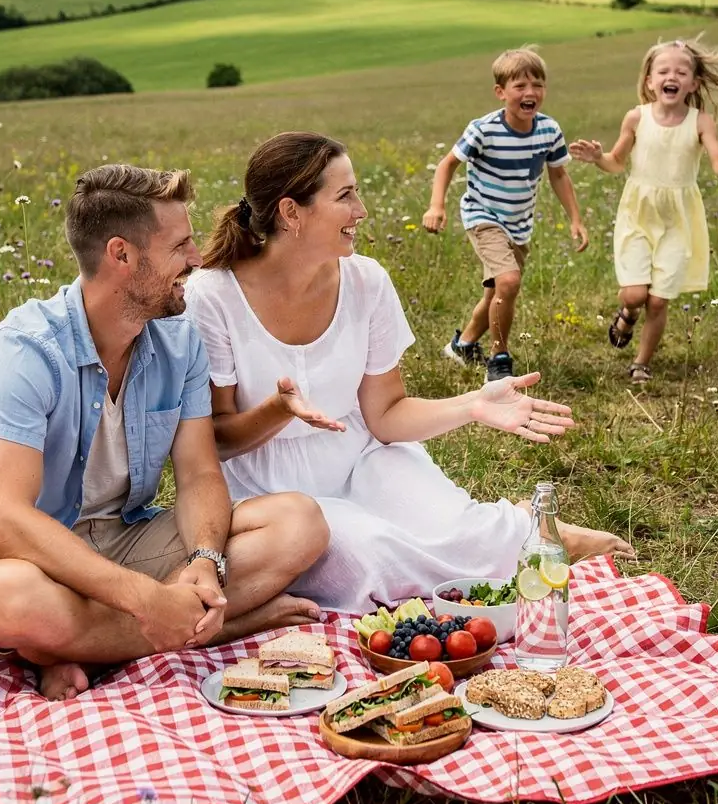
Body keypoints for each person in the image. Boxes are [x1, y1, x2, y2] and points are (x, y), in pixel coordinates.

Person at [183, 132, 634, 614]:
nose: (362, 210)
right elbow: (218, 439)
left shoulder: (366, 280)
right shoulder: (213, 295)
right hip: (273, 491)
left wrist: (473, 405)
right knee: (374, 560)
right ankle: (515, 538)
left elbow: (386, 414)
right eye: (345, 196)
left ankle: (520, 530)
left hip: (363, 456)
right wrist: (278, 410)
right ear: (292, 213)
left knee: (452, 529)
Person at [0, 164, 329, 701]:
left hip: (122, 536)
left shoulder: (180, 343)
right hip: (15, 560)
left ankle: (74, 646)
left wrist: (205, 559)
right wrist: (143, 599)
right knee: (9, 598)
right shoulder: (23, 353)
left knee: (299, 523)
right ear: (121, 255)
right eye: (180, 246)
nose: (197, 260)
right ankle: (211, 627)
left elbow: (199, 473)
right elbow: (4, 522)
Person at [570, 38, 718, 383]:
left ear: (694, 83)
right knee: (636, 294)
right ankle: (627, 311)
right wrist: (598, 159)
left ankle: (641, 363)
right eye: (664, 71)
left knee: (658, 301)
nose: (673, 76)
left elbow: (717, 165)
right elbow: (616, 162)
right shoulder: (636, 117)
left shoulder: (702, 121)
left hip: (679, 220)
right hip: (638, 214)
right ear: (650, 81)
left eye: (682, 72)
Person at [422, 47, 588, 381]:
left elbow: (558, 174)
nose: (531, 93)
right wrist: (436, 205)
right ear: (501, 93)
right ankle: (499, 359)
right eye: (520, 86)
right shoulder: (483, 130)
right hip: (482, 216)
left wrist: (576, 219)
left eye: (537, 85)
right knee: (508, 282)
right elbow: (447, 165)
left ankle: (463, 345)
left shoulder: (549, 131)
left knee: (499, 293)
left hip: (519, 225)